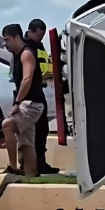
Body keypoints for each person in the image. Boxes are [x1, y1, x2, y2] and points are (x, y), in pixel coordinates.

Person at [2, 24, 45, 177]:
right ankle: (31, 175)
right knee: (26, 144)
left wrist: (17, 103)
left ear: (16, 37)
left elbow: (27, 79)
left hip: (32, 103)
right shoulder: (16, 54)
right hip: (28, 102)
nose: (5, 44)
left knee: (7, 125)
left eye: (7, 39)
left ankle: (12, 167)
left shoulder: (26, 53)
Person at [25, 18, 60, 175]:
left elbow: (45, 64)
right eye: (39, 35)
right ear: (31, 31)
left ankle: (41, 162)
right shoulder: (26, 48)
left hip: (41, 89)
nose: (41, 38)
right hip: (30, 94)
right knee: (33, 132)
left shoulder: (38, 45)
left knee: (42, 130)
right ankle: (32, 165)